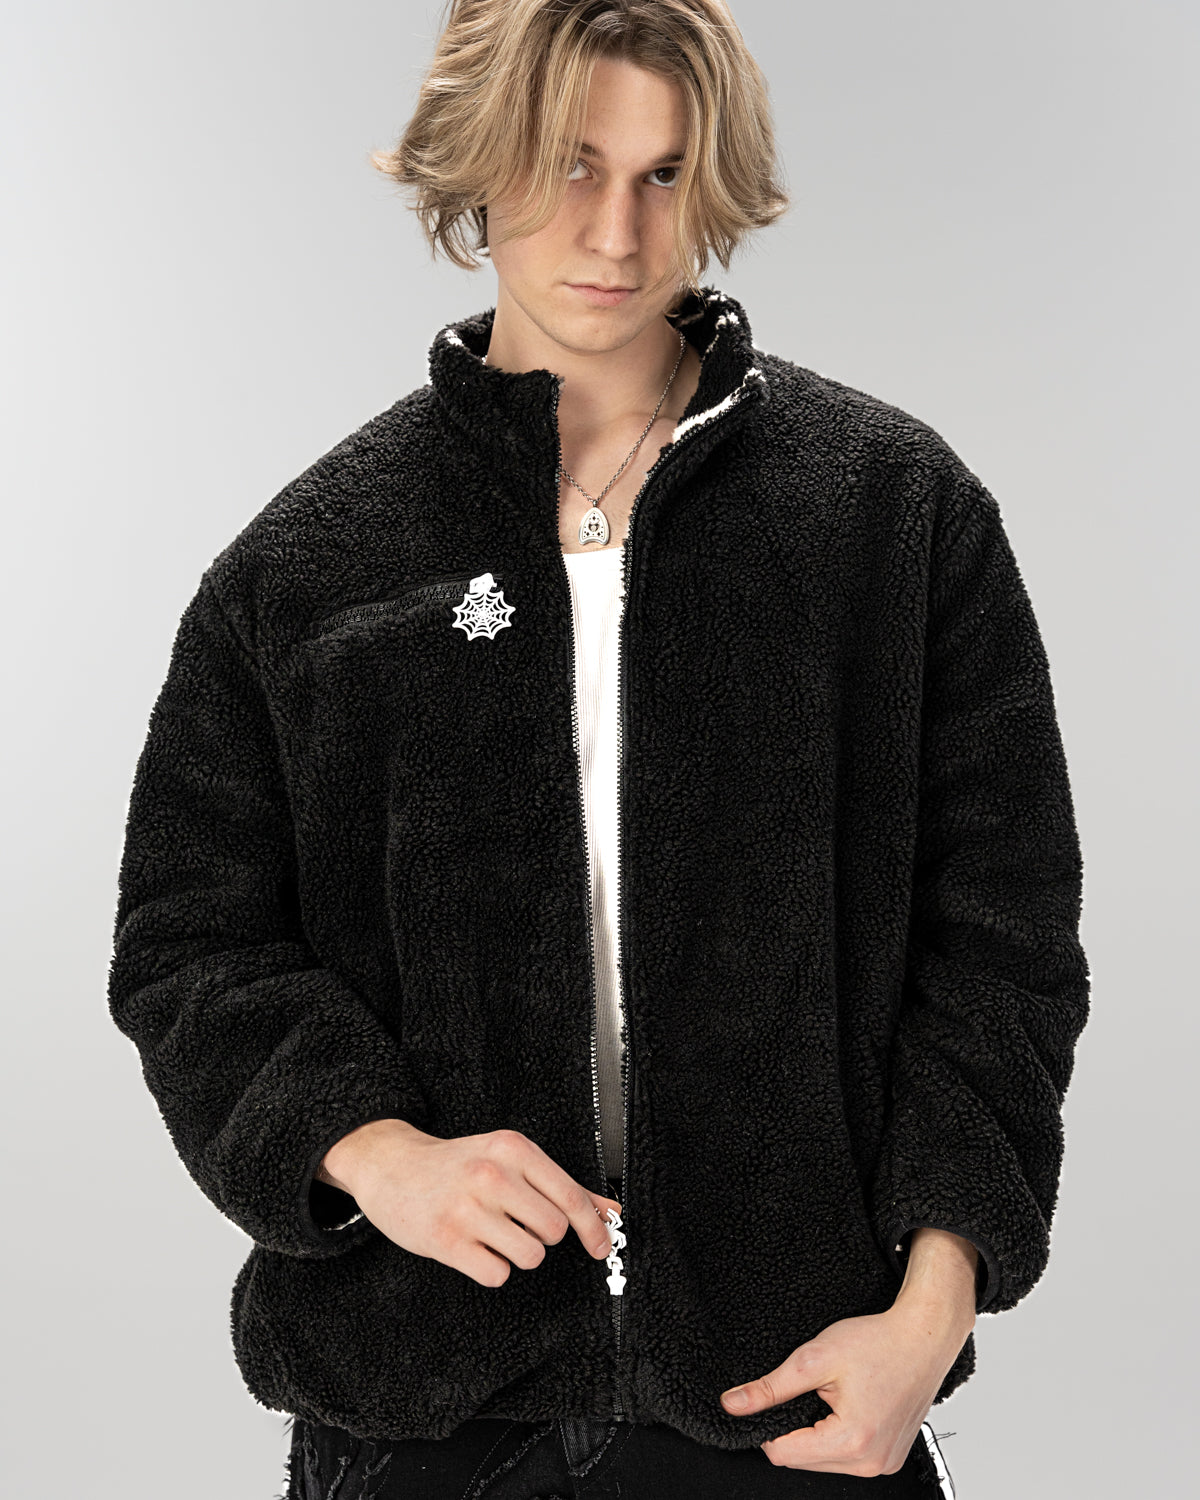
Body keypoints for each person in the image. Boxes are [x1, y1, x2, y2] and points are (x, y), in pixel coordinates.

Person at [106, 2, 1090, 1496]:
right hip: (424, 1405)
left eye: (663, 174)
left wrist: (933, 1307)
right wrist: (377, 1154)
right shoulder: (308, 568)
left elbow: (1003, 942)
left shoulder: (888, 516)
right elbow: (190, 946)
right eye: (569, 164)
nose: (617, 234)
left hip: (799, 1390)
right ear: (476, 159)